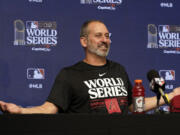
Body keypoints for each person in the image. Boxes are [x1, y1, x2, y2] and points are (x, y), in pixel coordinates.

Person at [0, 20, 180, 114]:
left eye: (108, 36)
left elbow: (134, 106)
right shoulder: (69, 74)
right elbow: (49, 108)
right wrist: (21, 110)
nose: (105, 40)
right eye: (99, 36)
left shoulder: (119, 69)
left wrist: (171, 95)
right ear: (84, 41)